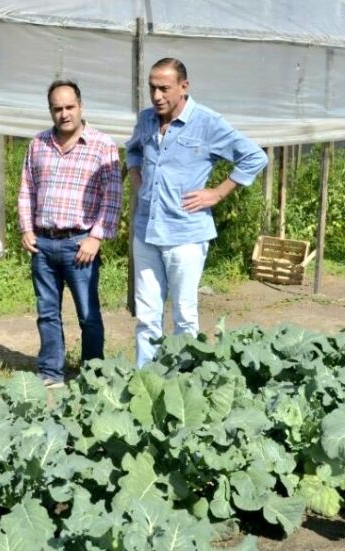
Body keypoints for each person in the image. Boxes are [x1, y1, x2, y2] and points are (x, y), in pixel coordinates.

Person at [126, 58, 268, 366]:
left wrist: (217, 193)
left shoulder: (207, 122)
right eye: (152, 88)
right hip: (146, 231)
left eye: (164, 88)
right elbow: (133, 148)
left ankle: (183, 381)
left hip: (185, 235)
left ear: (184, 87)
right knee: (147, 316)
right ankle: (144, 379)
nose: (157, 96)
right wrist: (136, 175)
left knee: (184, 316)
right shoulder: (147, 119)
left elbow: (254, 157)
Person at [18, 80, 123, 388]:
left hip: (81, 243)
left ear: (81, 106)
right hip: (44, 242)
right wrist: (26, 228)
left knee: (88, 314)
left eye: (69, 107)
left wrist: (96, 237)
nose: (64, 114)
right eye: (57, 108)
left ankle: (92, 372)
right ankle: (51, 372)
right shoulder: (38, 144)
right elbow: (27, 189)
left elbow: (113, 196)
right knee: (47, 312)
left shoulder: (102, 145)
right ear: (50, 110)